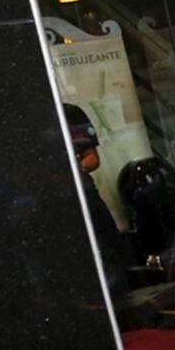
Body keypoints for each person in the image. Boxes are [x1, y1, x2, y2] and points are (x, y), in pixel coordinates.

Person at [63, 103, 130, 294]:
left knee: (112, 257)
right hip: (56, 210)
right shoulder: (25, 123)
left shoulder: (70, 114)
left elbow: (92, 157)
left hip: (87, 201)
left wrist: (76, 169)